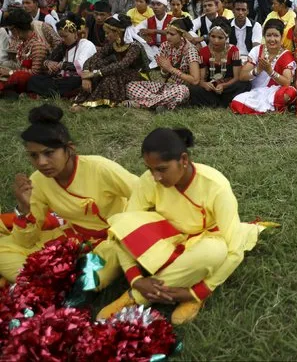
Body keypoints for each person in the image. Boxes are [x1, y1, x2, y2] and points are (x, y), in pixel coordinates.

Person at [96, 128, 267, 325]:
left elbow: (235, 250)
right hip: (169, 237)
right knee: (121, 222)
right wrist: (136, 278)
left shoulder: (216, 186)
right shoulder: (148, 180)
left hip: (205, 241)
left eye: (161, 169)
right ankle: (172, 283)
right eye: (150, 169)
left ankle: (136, 298)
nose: (156, 177)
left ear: (184, 160)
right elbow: (124, 230)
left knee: (215, 252)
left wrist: (197, 291)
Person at [0, 105, 138, 286]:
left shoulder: (99, 168)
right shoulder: (38, 181)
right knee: (4, 249)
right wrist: (23, 208)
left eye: (49, 153)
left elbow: (144, 194)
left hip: (115, 238)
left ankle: (54, 282)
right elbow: (26, 241)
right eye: (34, 156)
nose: (41, 163)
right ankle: (44, 282)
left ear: (69, 149)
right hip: (75, 236)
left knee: (95, 274)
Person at [73, 14, 146, 109]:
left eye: (108, 33)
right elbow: (94, 57)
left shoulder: (135, 46)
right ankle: (83, 99)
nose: (106, 36)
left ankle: (88, 105)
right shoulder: (114, 43)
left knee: (109, 76)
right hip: (119, 72)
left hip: (136, 75)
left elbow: (122, 65)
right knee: (98, 64)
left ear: (118, 32)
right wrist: (86, 74)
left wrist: (96, 73)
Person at [127, 18, 200, 111]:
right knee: (131, 86)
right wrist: (164, 70)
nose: (168, 37)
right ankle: (162, 103)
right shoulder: (165, 46)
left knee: (182, 91)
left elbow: (195, 80)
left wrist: (171, 69)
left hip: (179, 88)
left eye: (172, 34)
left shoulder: (190, 51)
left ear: (182, 35)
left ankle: (143, 104)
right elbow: (163, 75)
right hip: (164, 87)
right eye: (167, 33)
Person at [230, 19, 297, 114]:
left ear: (281, 37)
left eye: (276, 35)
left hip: (276, 93)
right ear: (264, 37)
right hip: (256, 92)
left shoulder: (286, 55)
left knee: (290, 92)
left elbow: (287, 82)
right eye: (269, 35)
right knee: (236, 102)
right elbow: (242, 76)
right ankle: (273, 109)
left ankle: (271, 108)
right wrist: (257, 70)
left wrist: (271, 72)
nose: (272, 39)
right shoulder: (257, 51)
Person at [27, 15, 97, 99]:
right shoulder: (63, 46)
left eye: (65, 36)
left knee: (75, 82)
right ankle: (56, 94)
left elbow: (81, 66)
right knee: (34, 79)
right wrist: (48, 63)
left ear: (75, 33)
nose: (62, 39)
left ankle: (49, 94)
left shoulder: (86, 44)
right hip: (61, 80)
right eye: (61, 36)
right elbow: (48, 60)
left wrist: (61, 65)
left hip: (77, 79)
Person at [189, 17, 250, 107]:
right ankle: (223, 102)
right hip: (212, 87)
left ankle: (215, 102)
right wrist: (205, 84)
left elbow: (236, 78)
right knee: (194, 88)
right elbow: (201, 79)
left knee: (245, 84)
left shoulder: (233, 50)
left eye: (220, 37)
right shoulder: (203, 52)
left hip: (228, 86)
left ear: (226, 38)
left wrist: (224, 85)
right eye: (212, 36)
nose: (215, 41)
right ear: (209, 35)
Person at [0, 9, 47, 96]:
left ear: (17, 29)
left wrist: (11, 73)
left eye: (11, 30)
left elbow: (35, 73)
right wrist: (7, 70)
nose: (11, 33)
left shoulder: (37, 45)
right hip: (18, 78)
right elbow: (19, 66)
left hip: (32, 82)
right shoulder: (23, 42)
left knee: (20, 76)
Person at [135, 0, 173, 66]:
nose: (155, 7)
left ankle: (156, 63)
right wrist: (143, 35)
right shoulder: (149, 20)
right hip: (154, 48)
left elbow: (171, 31)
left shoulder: (172, 19)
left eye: (158, 4)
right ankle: (158, 62)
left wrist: (153, 31)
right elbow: (135, 30)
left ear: (165, 6)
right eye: (153, 4)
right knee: (140, 41)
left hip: (169, 48)